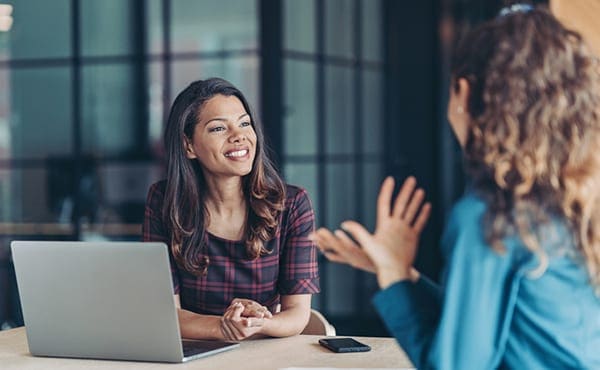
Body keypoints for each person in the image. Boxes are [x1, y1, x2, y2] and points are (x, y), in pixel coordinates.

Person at [311, 3, 600, 369]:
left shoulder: (490, 215)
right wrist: (402, 274)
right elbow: (500, 324)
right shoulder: (575, 197)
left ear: (463, 91)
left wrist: (397, 278)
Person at [143, 78, 320, 341]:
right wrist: (223, 327)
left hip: (264, 353)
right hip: (194, 353)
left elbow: (297, 313)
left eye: (245, 123)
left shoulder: (292, 204)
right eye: (218, 129)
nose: (239, 136)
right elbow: (165, 312)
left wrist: (257, 322)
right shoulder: (163, 201)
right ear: (188, 145)